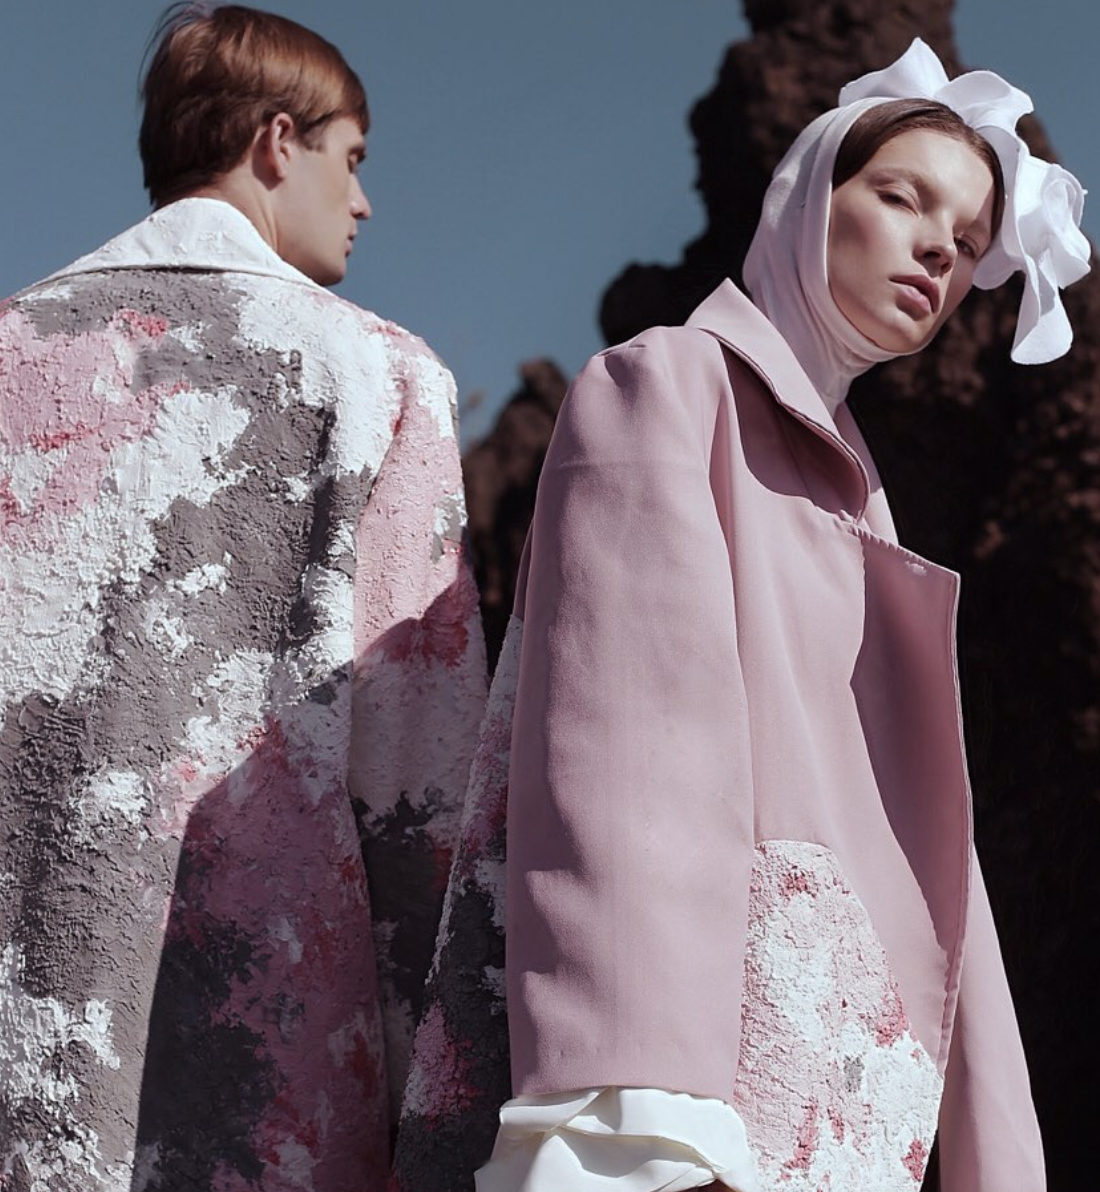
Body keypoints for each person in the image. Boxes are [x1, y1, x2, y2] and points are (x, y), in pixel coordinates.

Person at [392, 39, 1089, 1192]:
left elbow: (939, 865)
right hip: (691, 1113)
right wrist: (643, 1114)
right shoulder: (667, 385)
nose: (937, 247)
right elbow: (627, 746)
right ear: (807, 194)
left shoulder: (864, 503)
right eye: (900, 196)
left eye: (968, 240)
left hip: (839, 1117)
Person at [0, 5, 485, 1190]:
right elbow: (420, 782)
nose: (363, 201)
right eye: (350, 159)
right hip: (265, 1078)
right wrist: (446, 1115)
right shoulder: (377, 373)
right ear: (276, 141)